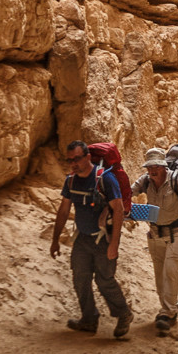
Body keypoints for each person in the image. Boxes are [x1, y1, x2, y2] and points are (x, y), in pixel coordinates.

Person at [50, 140, 132, 338]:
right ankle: (89, 319)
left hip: (103, 239)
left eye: (77, 159)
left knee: (104, 280)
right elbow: (63, 211)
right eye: (70, 160)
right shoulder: (71, 181)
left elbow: (119, 210)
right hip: (82, 238)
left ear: (87, 157)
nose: (73, 163)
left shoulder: (105, 179)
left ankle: (123, 314)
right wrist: (54, 240)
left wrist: (114, 244)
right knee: (80, 278)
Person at [130, 147, 178, 333]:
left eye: (156, 166)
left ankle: (166, 313)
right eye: (149, 166)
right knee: (159, 274)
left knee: (170, 271)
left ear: (163, 166)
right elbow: (129, 192)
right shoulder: (145, 180)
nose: (152, 170)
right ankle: (171, 307)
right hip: (155, 233)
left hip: (177, 233)